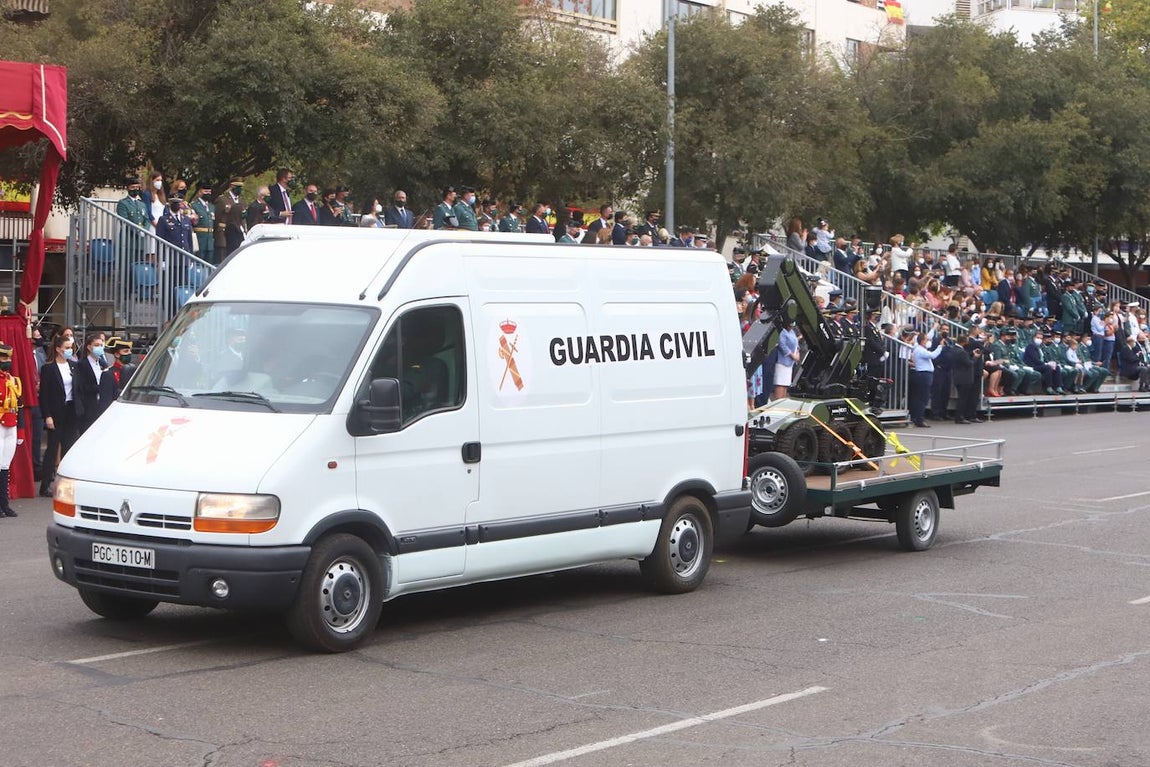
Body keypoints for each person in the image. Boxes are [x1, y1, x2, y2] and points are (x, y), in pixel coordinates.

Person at [39, 333, 77, 497]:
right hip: (56, 412)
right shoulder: (48, 368)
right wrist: (47, 415)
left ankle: (64, 486)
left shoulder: (74, 366)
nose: (70, 351)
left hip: (71, 410)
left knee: (69, 450)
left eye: (71, 348)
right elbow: (44, 394)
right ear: (58, 349)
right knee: (52, 450)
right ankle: (45, 485)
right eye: (67, 348)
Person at [73, 332, 118, 436]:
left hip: (102, 406)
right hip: (89, 408)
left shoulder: (103, 363)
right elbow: (82, 387)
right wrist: (101, 388)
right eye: (96, 345)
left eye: (101, 345)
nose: (100, 348)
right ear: (89, 347)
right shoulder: (82, 364)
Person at [0, 344, 21, 517]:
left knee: (5, 465)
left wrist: (19, 429)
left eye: (8, 358)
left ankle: (4, 503)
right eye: (4, 358)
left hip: (11, 423)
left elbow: (17, 404)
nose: (7, 362)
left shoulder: (12, 379)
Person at [909, 329, 945, 427]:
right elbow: (933, 355)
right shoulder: (920, 350)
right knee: (922, 398)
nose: (927, 341)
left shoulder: (920, 349)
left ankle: (917, 417)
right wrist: (940, 346)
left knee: (921, 397)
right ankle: (919, 419)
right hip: (923, 374)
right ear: (922, 341)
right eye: (926, 340)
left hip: (924, 374)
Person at [115, 177, 151, 262]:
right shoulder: (123, 203)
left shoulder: (142, 204)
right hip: (128, 241)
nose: (135, 189)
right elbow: (124, 220)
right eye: (133, 187)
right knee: (127, 267)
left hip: (140, 242)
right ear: (128, 188)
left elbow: (147, 219)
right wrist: (138, 231)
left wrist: (144, 230)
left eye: (137, 187)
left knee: (139, 266)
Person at [215, 178, 246, 259]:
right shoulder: (222, 200)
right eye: (238, 186)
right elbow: (217, 219)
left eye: (241, 187)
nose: (240, 189)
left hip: (239, 234)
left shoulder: (241, 201)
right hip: (225, 235)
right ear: (232, 186)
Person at [772, 317, 800, 402]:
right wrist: (792, 355)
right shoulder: (783, 332)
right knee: (780, 384)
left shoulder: (792, 332)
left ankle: (782, 403)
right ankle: (777, 405)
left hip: (790, 364)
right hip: (782, 362)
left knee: (785, 386)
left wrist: (797, 354)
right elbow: (782, 345)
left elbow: (796, 345)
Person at [189, 182, 216, 263]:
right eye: (205, 192)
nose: (208, 194)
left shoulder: (212, 207)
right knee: (199, 263)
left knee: (209, 263)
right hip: (200, 239)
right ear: (200, 192)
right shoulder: (194, 205)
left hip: (210, 240)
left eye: (209, 192)